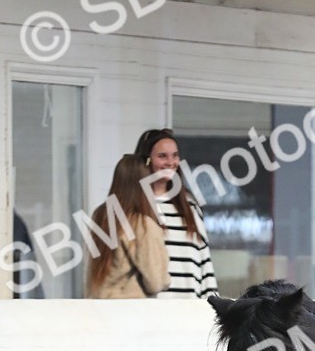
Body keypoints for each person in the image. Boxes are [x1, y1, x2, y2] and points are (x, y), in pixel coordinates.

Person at [134, 128, 218, 298]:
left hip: (189, 306)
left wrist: (212, 304)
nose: (170, 162)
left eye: (175, 155)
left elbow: (205, 262)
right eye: (162, 156)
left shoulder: (190, 206)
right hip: (150, 308)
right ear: (146, 160)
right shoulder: (134, 207)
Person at [87, 154, 170, 299]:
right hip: (129, 307)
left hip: (99, 305)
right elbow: (156, 282)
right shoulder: (142, 225)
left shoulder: (101, 216)